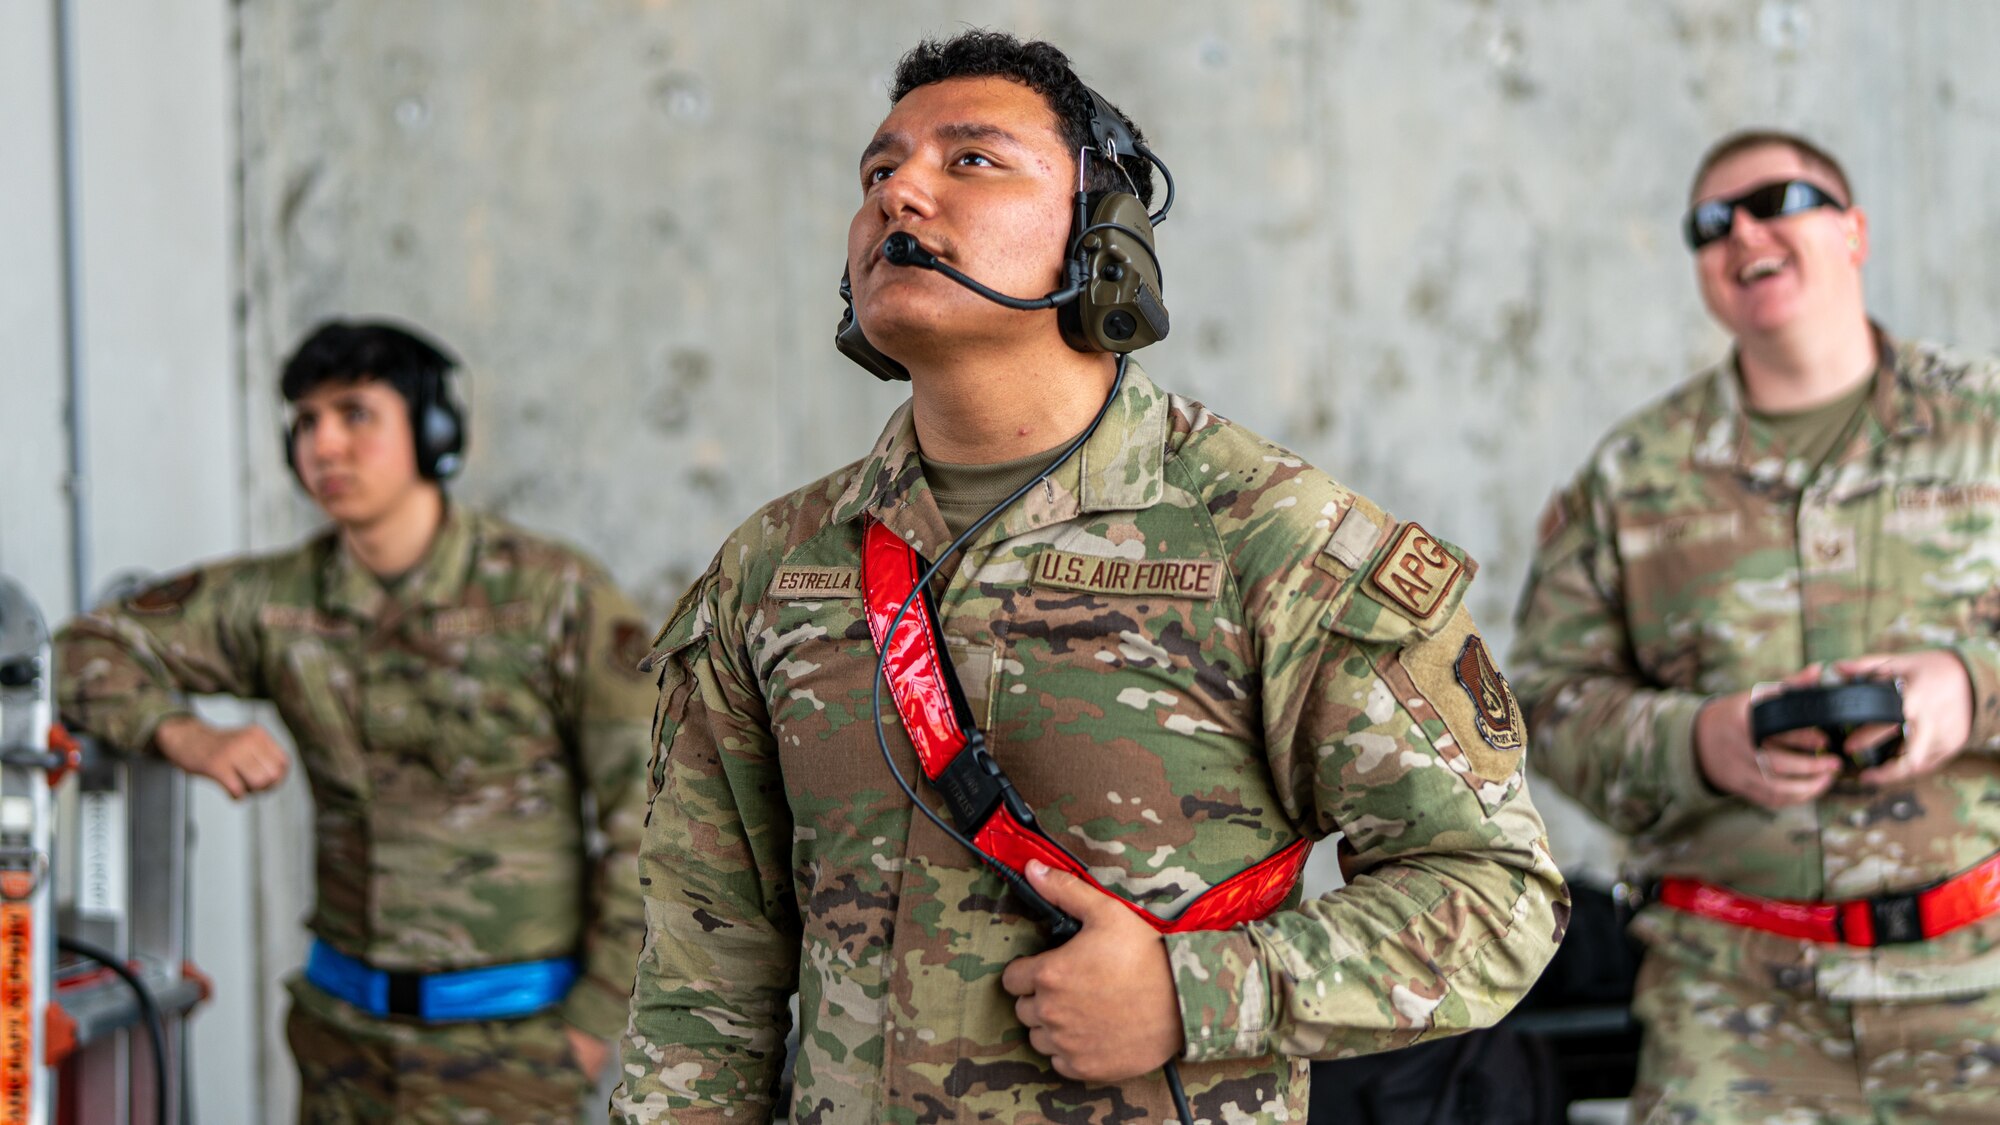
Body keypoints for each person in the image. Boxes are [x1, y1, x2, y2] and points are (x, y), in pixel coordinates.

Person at [615, 31, 1565, 1124]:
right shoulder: (777, 566)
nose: (899, 195)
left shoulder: (1272, 539)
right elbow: (703, 973)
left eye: (969, 160)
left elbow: (1495, 895)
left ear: (1101, 234)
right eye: (877, 173)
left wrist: (1197, 993)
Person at [1512, 130, 2000, 1123]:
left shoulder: (1985, 420)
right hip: (1730, 1003)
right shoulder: (1632, 474)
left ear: (1852, 230)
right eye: (1707, 223)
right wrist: (1699, 741)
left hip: (1979, 979)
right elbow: (1538, 707)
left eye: (1776, 198)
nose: (1740, 231)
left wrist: (1966, 690)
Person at [56, 321, 655, 1123]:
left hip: (512, 1047)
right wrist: (180, 732)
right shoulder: (281, 599)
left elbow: (652, 811)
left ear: (433, 433)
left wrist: (595, 1021)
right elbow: (79, 648)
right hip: (342, 1044)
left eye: (354, 414)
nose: (324, 444)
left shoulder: (554, 595)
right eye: (305, 421)